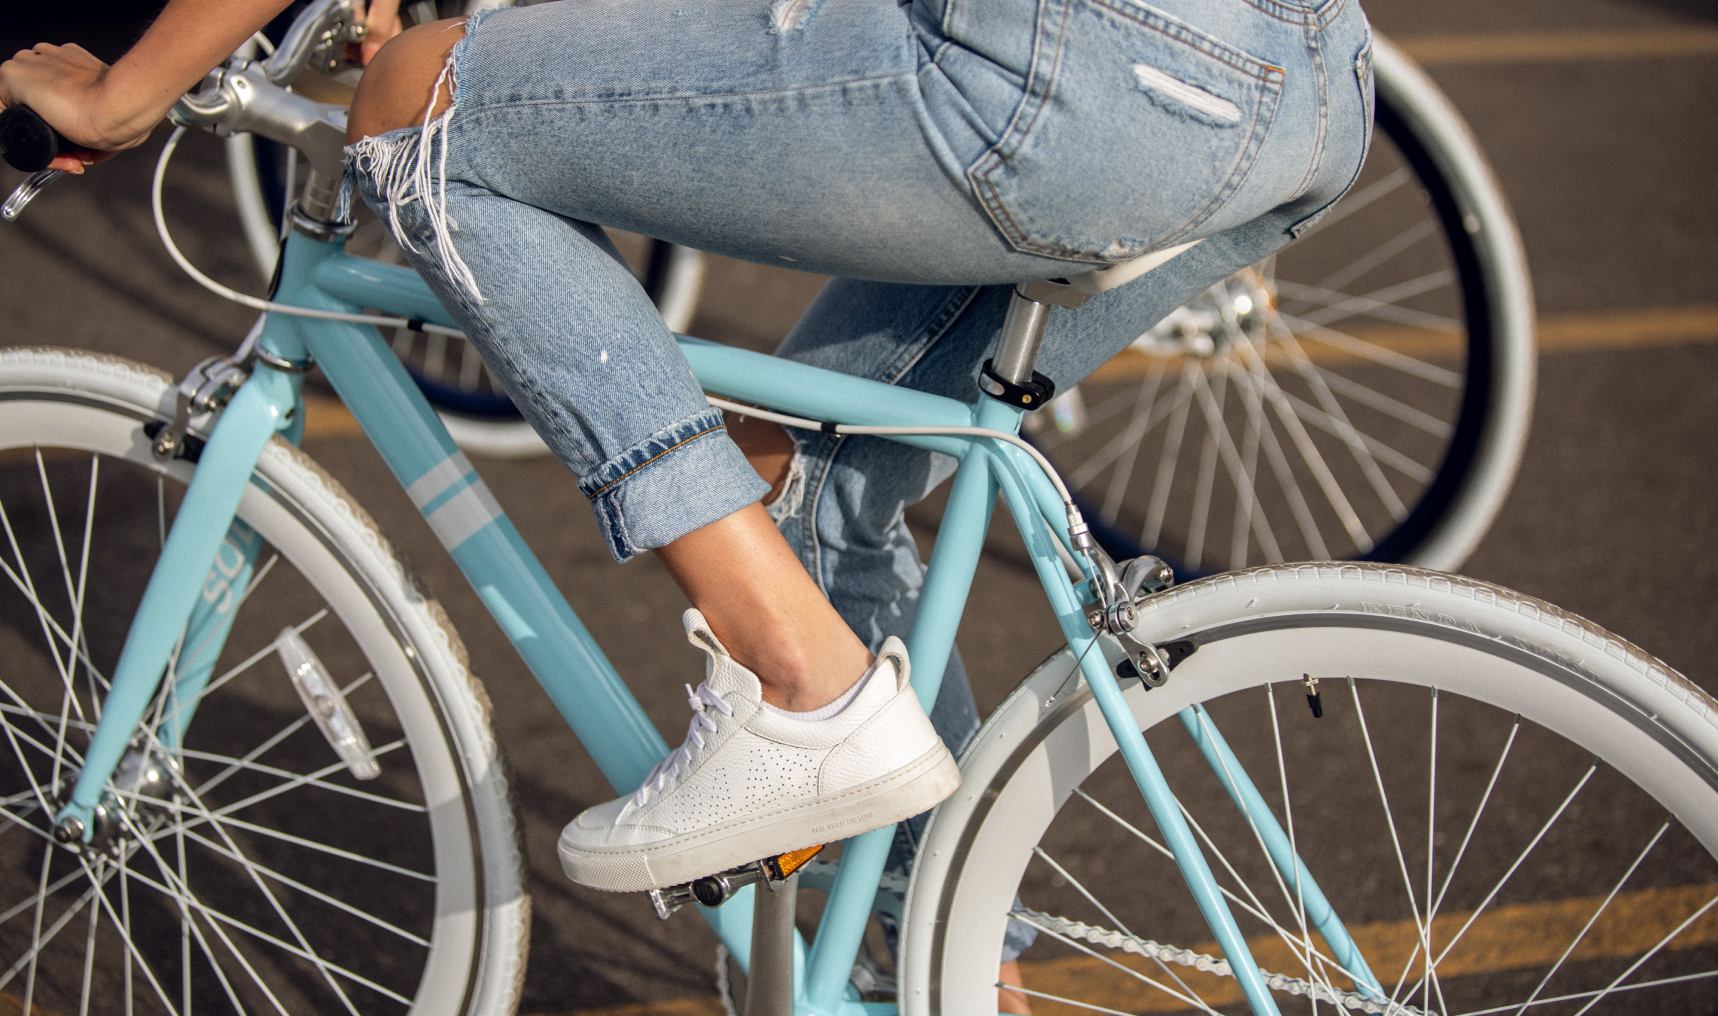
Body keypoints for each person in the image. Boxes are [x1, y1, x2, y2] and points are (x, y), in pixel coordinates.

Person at [2, 0, 1370, 1001]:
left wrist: (128, 89)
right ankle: (966, 982)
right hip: (1308, 81)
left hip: (1073, 72)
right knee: (809, 479)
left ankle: (797, 690)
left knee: (418, 101)